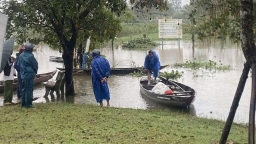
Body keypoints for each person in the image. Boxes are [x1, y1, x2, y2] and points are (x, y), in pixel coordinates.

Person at [18, 42, 38, 108]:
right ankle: (29, 104)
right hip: (29, 74)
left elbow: (18, 65)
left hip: (23, 74)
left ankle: (23, 104)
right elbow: (35, 65)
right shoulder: (31, 56)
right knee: (29, 89)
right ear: (30, 49)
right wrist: (34, 72)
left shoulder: (20, 55)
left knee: (24, 89)